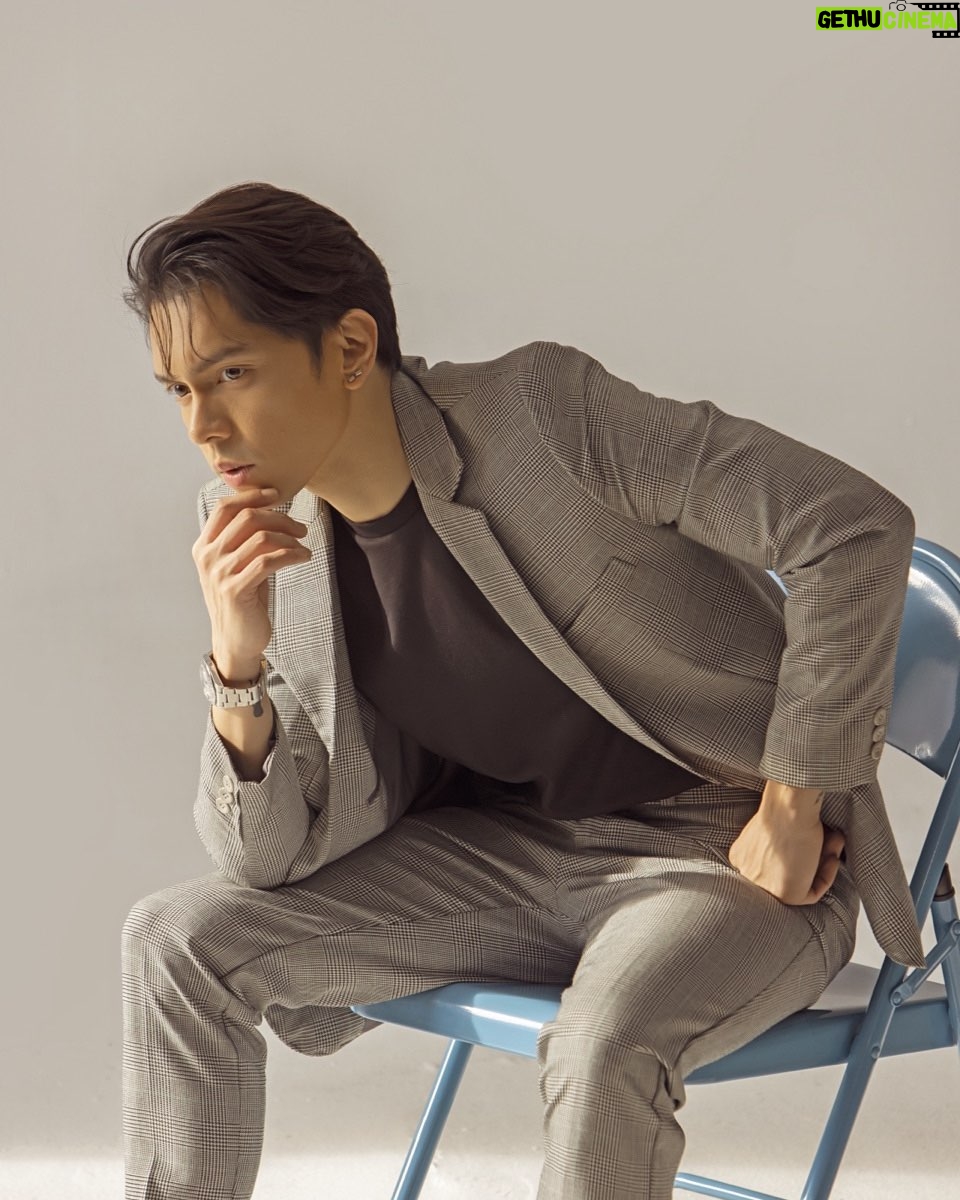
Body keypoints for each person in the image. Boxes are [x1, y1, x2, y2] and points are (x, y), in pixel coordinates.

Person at [120, 181, 924, 1200]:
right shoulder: (263, 538)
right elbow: (262, 862)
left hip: (728, 854)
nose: (203, 425)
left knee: (602, 1041)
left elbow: (850, 526)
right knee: (176, 941)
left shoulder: (544, 419)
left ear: (352, 347)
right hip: (503, 861)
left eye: (231, 373)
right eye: (177, 390)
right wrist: (237, 664)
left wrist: (795, 799)